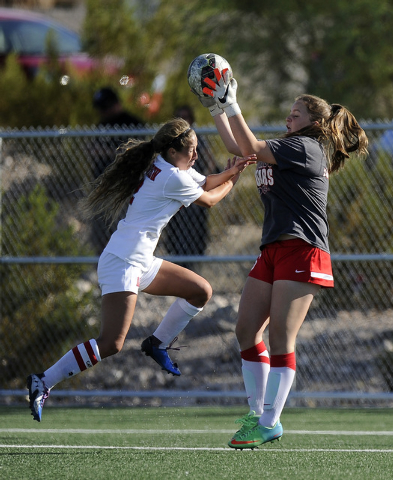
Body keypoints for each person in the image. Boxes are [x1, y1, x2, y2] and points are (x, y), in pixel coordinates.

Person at [26, 117, 256, 422]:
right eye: (192, 150)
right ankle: (44, 380)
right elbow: (210, 200)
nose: (196, 156)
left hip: (139, 259)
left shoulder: (168, 166)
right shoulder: (172, 176)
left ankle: (157, 343)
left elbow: (204, 183)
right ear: (174, 152)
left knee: (200, 291)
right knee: (112, 343)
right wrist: (235, 177)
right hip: (123, 260)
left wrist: (230, 171)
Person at [197, 68, 368, 448]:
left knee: (280, 337)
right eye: (290, 113)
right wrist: (215, 108)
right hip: (274, 249)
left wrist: (232, 103)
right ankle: (258, 415)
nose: (289, 118)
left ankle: (270, 421)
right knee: (245, 330)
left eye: (296, 114)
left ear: (316, 124)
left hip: (303, 249)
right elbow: (241, 149)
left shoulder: (306, 147)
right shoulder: (291, 145)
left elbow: (253, 149)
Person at [162, 105, 220, 262]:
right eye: (180, 117)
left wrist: (202, 183)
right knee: (175, 235)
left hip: (195, 193)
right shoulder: (171, 142)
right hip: (177, 194)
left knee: (195, 233)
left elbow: (210, 162)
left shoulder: (197, 139)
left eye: (186, 116)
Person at [91, 87, 144, 252]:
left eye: (105, 107)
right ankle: (102, 267)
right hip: (102, 187)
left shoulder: (132, 123)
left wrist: (107, 152)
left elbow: (134, 152)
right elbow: (91, 150)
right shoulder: (101, 126)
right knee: (100, 233)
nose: (103, 112)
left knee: (124, 231)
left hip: (125, 188)